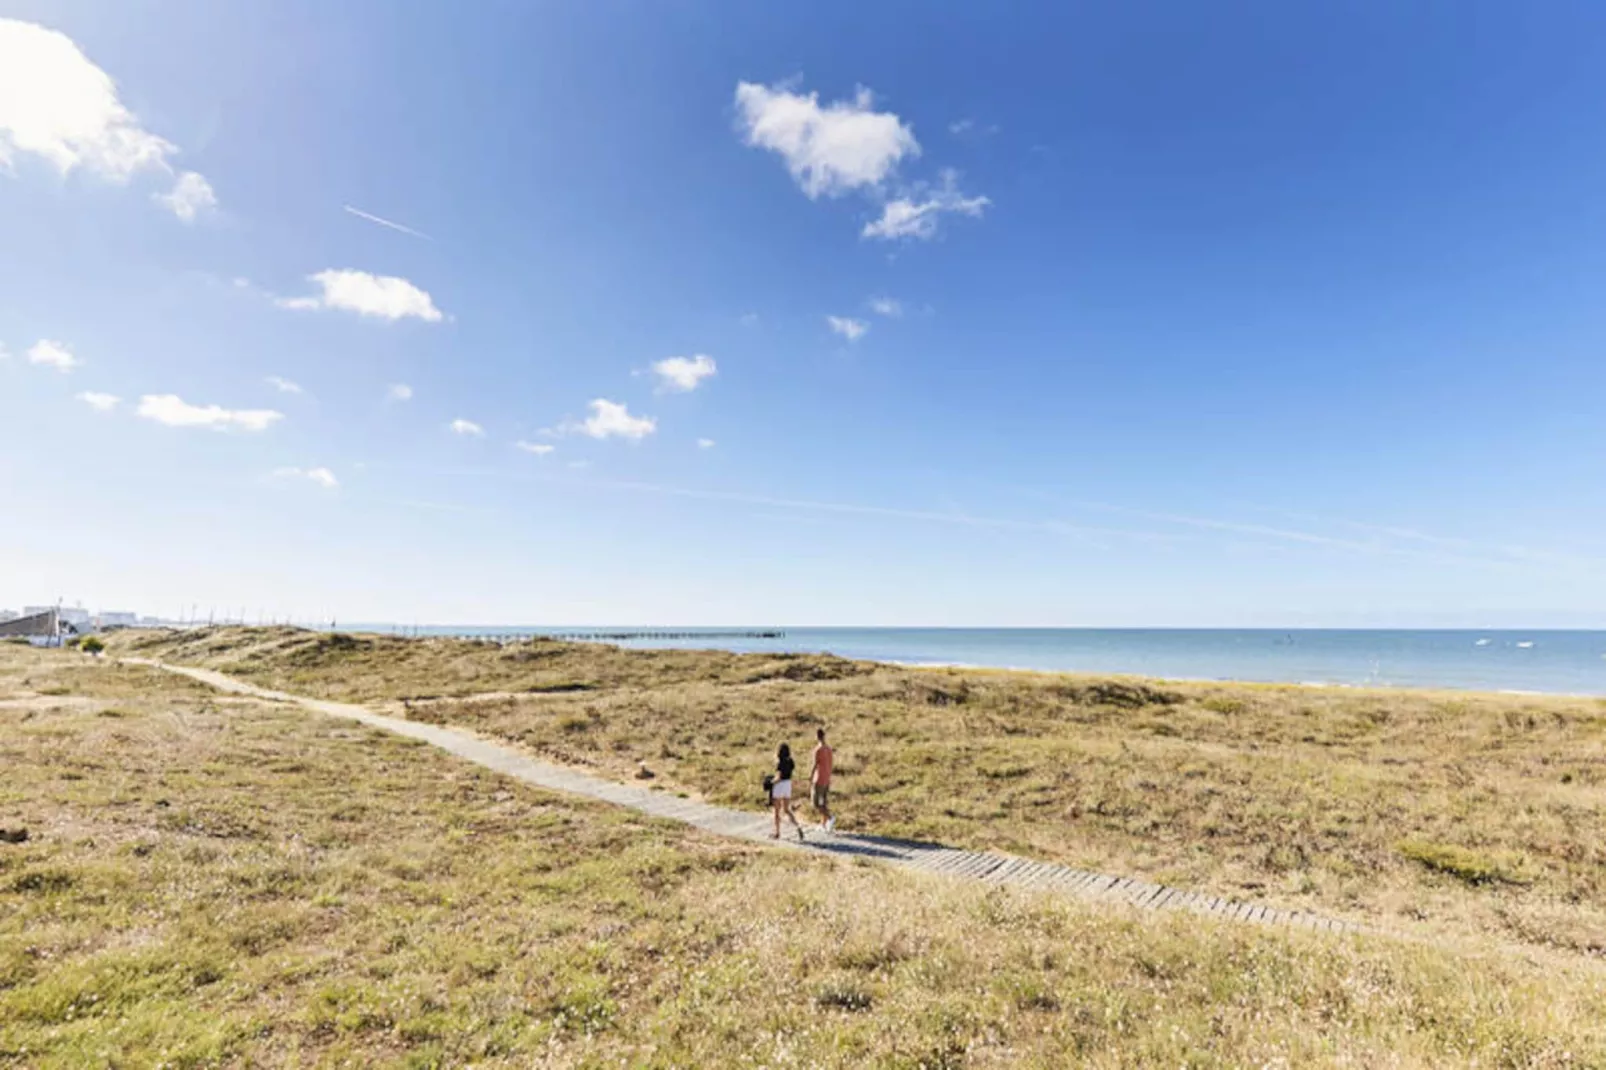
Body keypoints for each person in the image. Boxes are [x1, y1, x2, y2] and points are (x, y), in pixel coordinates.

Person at [770, 742, 805, 841]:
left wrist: (772, 782)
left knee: (777, 811)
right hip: (788, 785)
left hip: (780, 785)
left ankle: (777, 832)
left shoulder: (780, 762)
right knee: (786, 809)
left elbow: (779, 776)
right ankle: (797, 825)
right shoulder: (791, 761)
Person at [808, 727, 835, 832]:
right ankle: (823, 824)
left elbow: (815, 764)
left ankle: (830, 817)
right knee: (823, 802)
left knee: (815, 803)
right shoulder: (829, 749)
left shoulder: (818, 750)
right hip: (826, 778)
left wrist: (811, 776)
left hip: (818, 779)